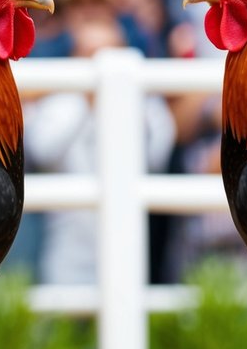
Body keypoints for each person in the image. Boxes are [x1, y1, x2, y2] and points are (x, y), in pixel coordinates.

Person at [25, 15, 174, 285]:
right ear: (75, 56)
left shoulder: (144, 102)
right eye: (91, 54)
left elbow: (158, 157)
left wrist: (128, 107)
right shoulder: (60, 102)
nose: (102, 63)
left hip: (129, 239)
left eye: (111, 51)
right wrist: (86, 103)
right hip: (67, 243)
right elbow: (41, 152)